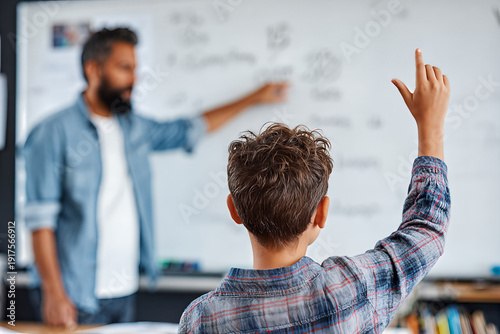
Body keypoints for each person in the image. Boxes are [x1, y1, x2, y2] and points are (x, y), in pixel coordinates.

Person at [23, 27, 288, 329]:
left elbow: (190, 129)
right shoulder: (51, 133)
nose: (133, 80)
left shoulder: (134, 128)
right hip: (76, 295)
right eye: (124, 68)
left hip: (125, 289)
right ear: (93, 69)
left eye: (135, 69)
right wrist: (54, 293)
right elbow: (40, 221)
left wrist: (255, 98)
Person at [179, 48, 451, 332]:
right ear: (321, 213)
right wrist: (430, 128)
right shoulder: (353, 291)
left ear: (234, 210)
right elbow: (427, 230)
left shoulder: (203, 319)